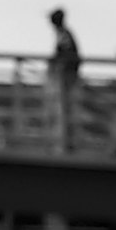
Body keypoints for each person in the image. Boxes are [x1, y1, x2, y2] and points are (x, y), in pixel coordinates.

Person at [46, 8, 84, 153]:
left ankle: (69, 144)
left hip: (67, 76)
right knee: (67, 109)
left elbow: (64, 53)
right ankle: (69, 143)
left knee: (67, 109)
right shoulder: (65, 34)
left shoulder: (63, 35)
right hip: (69, 75)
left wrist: (56, 64)